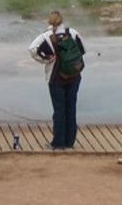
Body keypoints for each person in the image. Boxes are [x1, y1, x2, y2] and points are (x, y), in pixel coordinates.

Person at [29, 10, 85, 150]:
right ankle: (70, 141)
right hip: (74, 76)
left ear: (49, 22)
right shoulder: (72, 32)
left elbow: (32, 49)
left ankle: (58, 142)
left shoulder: (45, 36)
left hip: (55, 77)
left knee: (59, 110)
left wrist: (44, 60)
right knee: (71, 108)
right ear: (62, 20)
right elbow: (82, 50)